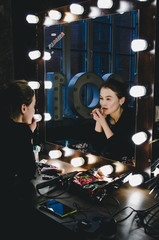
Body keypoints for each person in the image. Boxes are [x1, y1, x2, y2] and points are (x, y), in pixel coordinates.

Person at [0, 80, 39, 237]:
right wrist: (27, 136)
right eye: (33, 106)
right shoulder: (21, 132)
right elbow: (28, 172)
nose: (34, 111)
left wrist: (26, 133)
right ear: (24, 108)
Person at [89, 79, 135, 162]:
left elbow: (118, 150)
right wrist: (98, 122)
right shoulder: (105, 117)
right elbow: (96, 148)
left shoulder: (131, 117)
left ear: (121, 101)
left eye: (108, 99)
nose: (103, 103)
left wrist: (103, 123)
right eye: (101, 98)